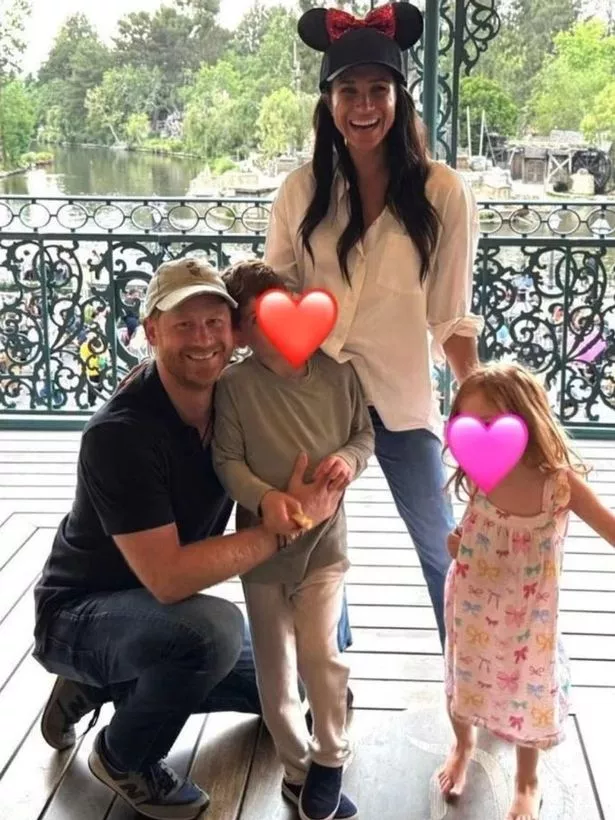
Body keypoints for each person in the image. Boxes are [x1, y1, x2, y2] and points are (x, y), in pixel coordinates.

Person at [32, 257, 344, 820]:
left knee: (293, 681)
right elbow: (170, 578)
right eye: (183, 325)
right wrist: (288, 527)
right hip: (82, 611)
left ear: (234, 332)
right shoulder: (120, 435)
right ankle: (124, 756)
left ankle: (95, 685)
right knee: (210, 633)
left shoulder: (234, 399)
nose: (202, 339)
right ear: (151, 331)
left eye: (214, 323)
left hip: (155, 613)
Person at [265, 2, 484, 650]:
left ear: (398, 99)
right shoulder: (299, 192)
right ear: (328, 103)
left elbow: (449, 312)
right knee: (312, 544)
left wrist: (479, 394)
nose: (364, 106)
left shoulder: (443, 192)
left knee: (440, 541)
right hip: (315, 396)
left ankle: (471, 675)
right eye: (349, 91)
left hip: (399, 396)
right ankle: (326, 672)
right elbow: (273, 297)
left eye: (378, 90)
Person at [213, 261, 374, 820]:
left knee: (319, 653)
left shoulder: (338, 374)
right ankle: (296, 768)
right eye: (260, 317)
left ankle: (330, 754)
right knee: (275, 668)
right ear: (241, 332)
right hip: (262, 547)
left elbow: (363, 434)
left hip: (324, 543)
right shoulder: (235, 387)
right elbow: (227, 459)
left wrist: (348, 459)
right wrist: (264, 498)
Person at [437, 362, 615, 820]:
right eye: (466, 424)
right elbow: (477, 530)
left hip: (529, 620)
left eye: (489, 423)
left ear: (526, 420)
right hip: (471, 605)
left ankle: (526, 781)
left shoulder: (559, 484)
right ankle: (463, 743)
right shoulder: (480, 470)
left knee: (526, 696)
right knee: (464, 679)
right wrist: (459, 543)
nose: (477, 437)